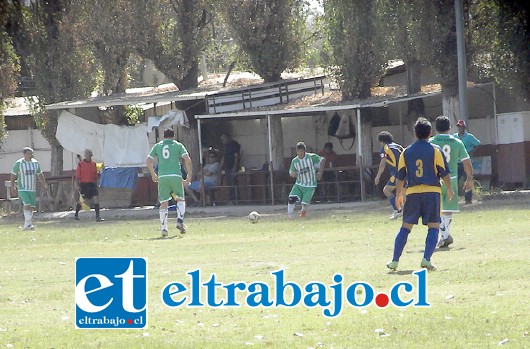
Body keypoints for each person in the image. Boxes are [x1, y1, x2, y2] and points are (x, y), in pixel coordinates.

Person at [386, 117, 454, 271]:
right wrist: (449, 188)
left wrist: (398, 195)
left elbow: (400, 176)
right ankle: (426, 259)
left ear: (415, 133)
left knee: (405, 228)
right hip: (432, 192)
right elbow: (444, 172)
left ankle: (395, 261)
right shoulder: (435, 150)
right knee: (434, 227)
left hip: (413, 193)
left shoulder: (406, 151)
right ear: (430, 133)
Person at [430, 116, 474, 248]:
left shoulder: (431, 142)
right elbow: (466, 161)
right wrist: (469, 179)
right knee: (448, 211)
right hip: (452, 179)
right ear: (450, 128)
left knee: (434, 210)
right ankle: (444, 236)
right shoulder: (457, 142)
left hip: (435, 179)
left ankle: (443, 236)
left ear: (435, 128)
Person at [146, 128, 192, 237]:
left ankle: (164, 228)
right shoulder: (178, 145)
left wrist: (153, 174)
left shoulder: (158, 146)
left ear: (163, 136)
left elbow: (148, 160)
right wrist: (189, 175)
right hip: (176, 175)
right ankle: (180, 220)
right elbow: (187, 160)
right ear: (173, 136)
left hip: (162, 177)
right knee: (180, 199)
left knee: (164, 203)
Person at [10, 147, 48, 230]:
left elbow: (40, 174)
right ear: (24, 154)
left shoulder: (35, 163)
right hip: (23, 187)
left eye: (31, 153)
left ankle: (28, 224)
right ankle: (27, 224)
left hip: (32, 188)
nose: (31, 155)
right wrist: (12, 186)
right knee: (26, 204)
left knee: (31, 206)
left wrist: (44, 184)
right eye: (28, 153)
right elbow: (13, 174)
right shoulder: (19, 163)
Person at [288, 141, 323, 219]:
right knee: (291, 199)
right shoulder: (294, 161)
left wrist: (320, 173)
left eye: (301, 151)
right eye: (298, 151)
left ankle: (303, 217)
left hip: (310, 185)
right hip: (299, 184)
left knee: (304, 204)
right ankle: (290, 218)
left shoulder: (311, 157)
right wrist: (292, 174)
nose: (300, 153)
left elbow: (322, 160)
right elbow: (291, 172)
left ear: (304, 151)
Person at [374, 131, 404, 220]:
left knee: (386, 190)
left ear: (382, 141)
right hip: (406, 172)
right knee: (403, 193)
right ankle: (404, 211)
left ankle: (398, 210)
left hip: (396, 174)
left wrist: (378, 175)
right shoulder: (399, 146)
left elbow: (383, 162)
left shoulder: (385, 148)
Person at [454, 120, 481, 204]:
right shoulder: (454, 136)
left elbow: (478, 144)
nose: (459, 128)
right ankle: (453, 198)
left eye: (461, 126)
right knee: (455, 180)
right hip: (457, 162)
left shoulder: (469, 137)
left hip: (466, 162)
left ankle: (468, 199)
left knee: (468, 179)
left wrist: (471, 152)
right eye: (458, 126)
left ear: (464, 127)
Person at [74, 149, 104, 222]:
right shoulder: (80, 164)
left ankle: (97, 217)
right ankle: (76, 214)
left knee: (96, 199)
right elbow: (77, 176)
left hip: (92, 184)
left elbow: (96, 175)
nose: (87, 155)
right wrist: (77, 185)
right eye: (86, 153)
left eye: (89, 153)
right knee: (82, 201)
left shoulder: (94, 164)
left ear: (91, 155)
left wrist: (97, 184)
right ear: (84, 155)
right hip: (84, 184)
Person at [220, 133, 241, 205]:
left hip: (232, 167)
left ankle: (235, 200)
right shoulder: (225, 146)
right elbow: (224, 157)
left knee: (233, 184)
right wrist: (220, 167)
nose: (222, 141)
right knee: (229, 184)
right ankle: (231, 200)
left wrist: (235, 168)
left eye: (223, 139)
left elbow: (236, 157)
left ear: (227, 137)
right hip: (227, 167)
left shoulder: (234, 144)